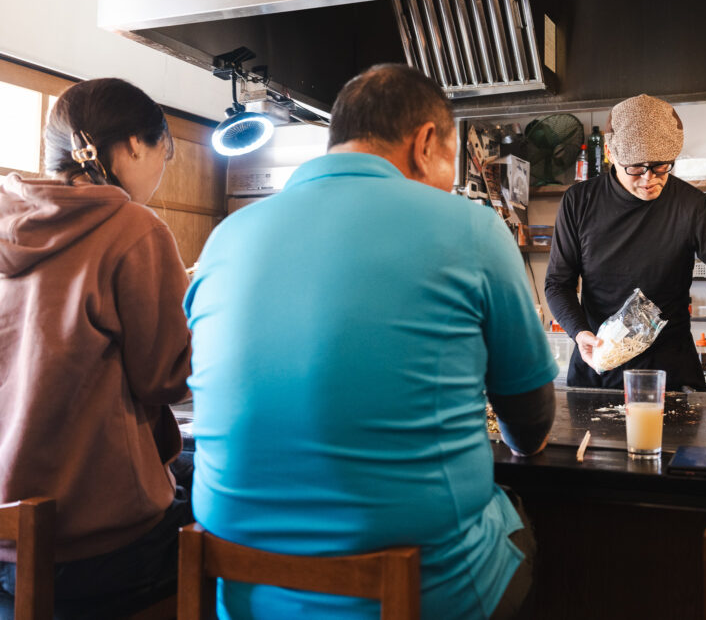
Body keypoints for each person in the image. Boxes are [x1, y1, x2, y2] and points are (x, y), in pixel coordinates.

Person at [185, 63, 557, 619]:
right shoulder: (472, 229)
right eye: (450, 165)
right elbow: (528, 422)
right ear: (426, 142)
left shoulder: (225, 238)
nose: (449, 184)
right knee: (532, 530)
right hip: (422, 591)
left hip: (244, 595)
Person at [0, 78, 193, 617]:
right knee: (227, 513)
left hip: (8, 543)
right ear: (134, 144)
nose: (159, 173)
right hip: (98, 547)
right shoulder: (132, 226)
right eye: (162, 154)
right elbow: (168, 378)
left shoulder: (7, 222)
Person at [545, 93, 706, 394]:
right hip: (598, 373)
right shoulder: (579, 202)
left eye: (661, 167)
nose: (649, 179)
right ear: (612, 156)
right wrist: (579, 333)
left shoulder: (692, 206)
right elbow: (558, 284)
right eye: (636, 169)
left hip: (671, 379)